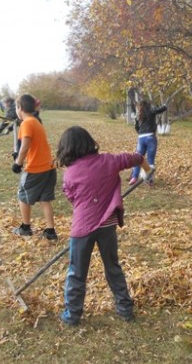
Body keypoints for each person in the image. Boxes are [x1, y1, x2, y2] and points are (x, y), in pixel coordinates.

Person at [56, 126, 153, 326]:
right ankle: (125, 308)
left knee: (77, 272)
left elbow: (72, 199)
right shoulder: (110, 161)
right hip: (107, 225)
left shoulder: (70, 174)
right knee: (112, 267)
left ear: (67, 149)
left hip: (82, 229)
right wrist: (147, 170)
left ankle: (72, 315)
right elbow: (136, 157)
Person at [11, 94, 58, 241]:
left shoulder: (26, 123)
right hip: (49, 167)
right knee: (45, 200)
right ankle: (50, 231)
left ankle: (25, 227)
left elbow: (25, 146)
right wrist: (18, 153)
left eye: (16, 107)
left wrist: (18, 163)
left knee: (23, 196)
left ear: (20, 108)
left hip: (35, 168)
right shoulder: (36, 122)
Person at [128, 99, 168, 186]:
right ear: (148, 105)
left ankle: (134, 177)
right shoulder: (151, 110)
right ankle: (149, 180)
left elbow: (136, 128)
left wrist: (141, 133)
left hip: (141, 138)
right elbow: (159, 109)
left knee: (138, 159)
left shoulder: (138, 115)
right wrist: (165, 106)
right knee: (150, 161)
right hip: (150, 137)